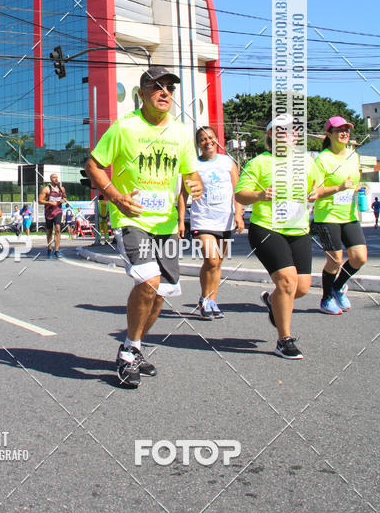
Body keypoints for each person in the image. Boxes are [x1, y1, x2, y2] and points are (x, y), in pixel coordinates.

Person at [85, 65, 203, 388]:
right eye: (156, 87)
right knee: (148, 280)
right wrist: (115, 197)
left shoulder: (182, 133)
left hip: (165, 223)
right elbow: (93, 165)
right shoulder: (124, 127)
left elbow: (191, 174)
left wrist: (196, 185)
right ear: (141, 94)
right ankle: (129, 353)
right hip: (131, 218)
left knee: (161, 292)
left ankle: (133, 346)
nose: (165, 92)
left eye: (169, 88)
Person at [235, 114, 321, 359]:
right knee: (286, 281)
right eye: (282, 130)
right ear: (272, 134)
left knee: (301, 288)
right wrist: (260, 195)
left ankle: (273, 301)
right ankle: (284, 340)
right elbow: (240, 194)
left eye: (293, 130)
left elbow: (317, 186)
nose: (289, 134)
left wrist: (316, 192)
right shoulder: (259, 163)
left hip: (299, 230)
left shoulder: (306, 162)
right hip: (267, 228)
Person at [179, 126, 244, 320]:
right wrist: (181, 220)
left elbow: (238, 191)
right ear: (198, 144)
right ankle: (205, 299)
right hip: (202, 219)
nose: (208, 142)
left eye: (210, 138)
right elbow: (182, 195)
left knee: (217, 264)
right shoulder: (192, 165)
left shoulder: (228, 162)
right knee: (211, 260)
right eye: (203, 139)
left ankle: (211, 300)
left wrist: (239, 215)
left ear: (217, 140)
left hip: (224, 220)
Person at [312, 116, 368, 314]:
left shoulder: (353, 155)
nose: (344, 133)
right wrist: (339, 187)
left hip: (349, 215)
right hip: (327, 216)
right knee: (335, 260)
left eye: (347, 129)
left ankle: (338, 287)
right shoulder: (322, 159)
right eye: (339, 130)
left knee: (359, 258)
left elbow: (355, 180)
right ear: (329, 134)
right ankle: (326, 299)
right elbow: (315, 192)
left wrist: (358, 187)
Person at [39, 173, 67, 258]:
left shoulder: (61, 188)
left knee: (58, 229)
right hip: (49, 212)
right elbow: (40, 200)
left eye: (57, 177)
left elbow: (65, 197)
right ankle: (49, 249)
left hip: (58, 211)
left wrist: (63, 200)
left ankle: (57, 250)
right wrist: (49, 203)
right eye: (54, 177)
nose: (56, 179)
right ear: (51, 179)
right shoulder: (47, 189)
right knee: (49, 231)